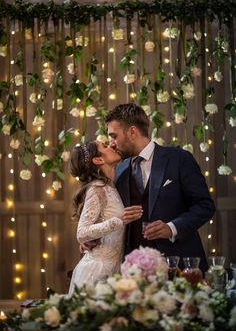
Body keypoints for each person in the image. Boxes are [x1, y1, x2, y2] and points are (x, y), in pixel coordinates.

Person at [105, 103, 215, 273]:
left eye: (114, 136)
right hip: (134, 270)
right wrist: (95, 239)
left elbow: (205, 205)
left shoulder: (178, 158)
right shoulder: (118, 169)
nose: (111, 143)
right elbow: (112, 213)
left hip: (179, 265)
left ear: (132, 132)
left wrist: (171, 228)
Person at [68, 140, 142, 296]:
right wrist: (119, 220)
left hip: (114, 272)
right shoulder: (97, 188)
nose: (112, 145)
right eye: (105, 146)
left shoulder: (111, 186)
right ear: (98, 160)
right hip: (96, 274)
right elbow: (82, 233)